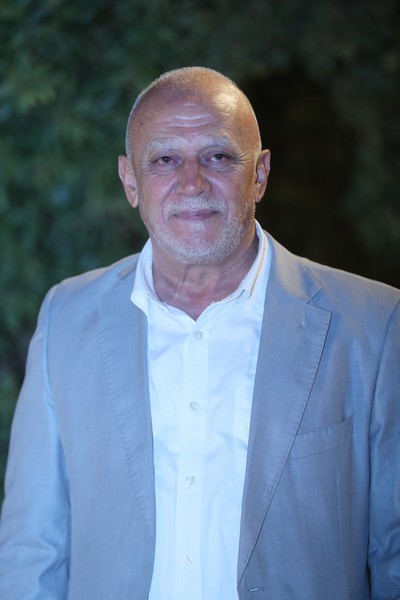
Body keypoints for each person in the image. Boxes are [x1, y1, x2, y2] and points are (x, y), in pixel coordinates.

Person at [0, 66, 399, 600]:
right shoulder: (66, 318)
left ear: (259, 174)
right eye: (165, 160)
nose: (192, 182)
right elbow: (32, 552)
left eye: (219, 156)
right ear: (130, 181)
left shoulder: (374, 325)